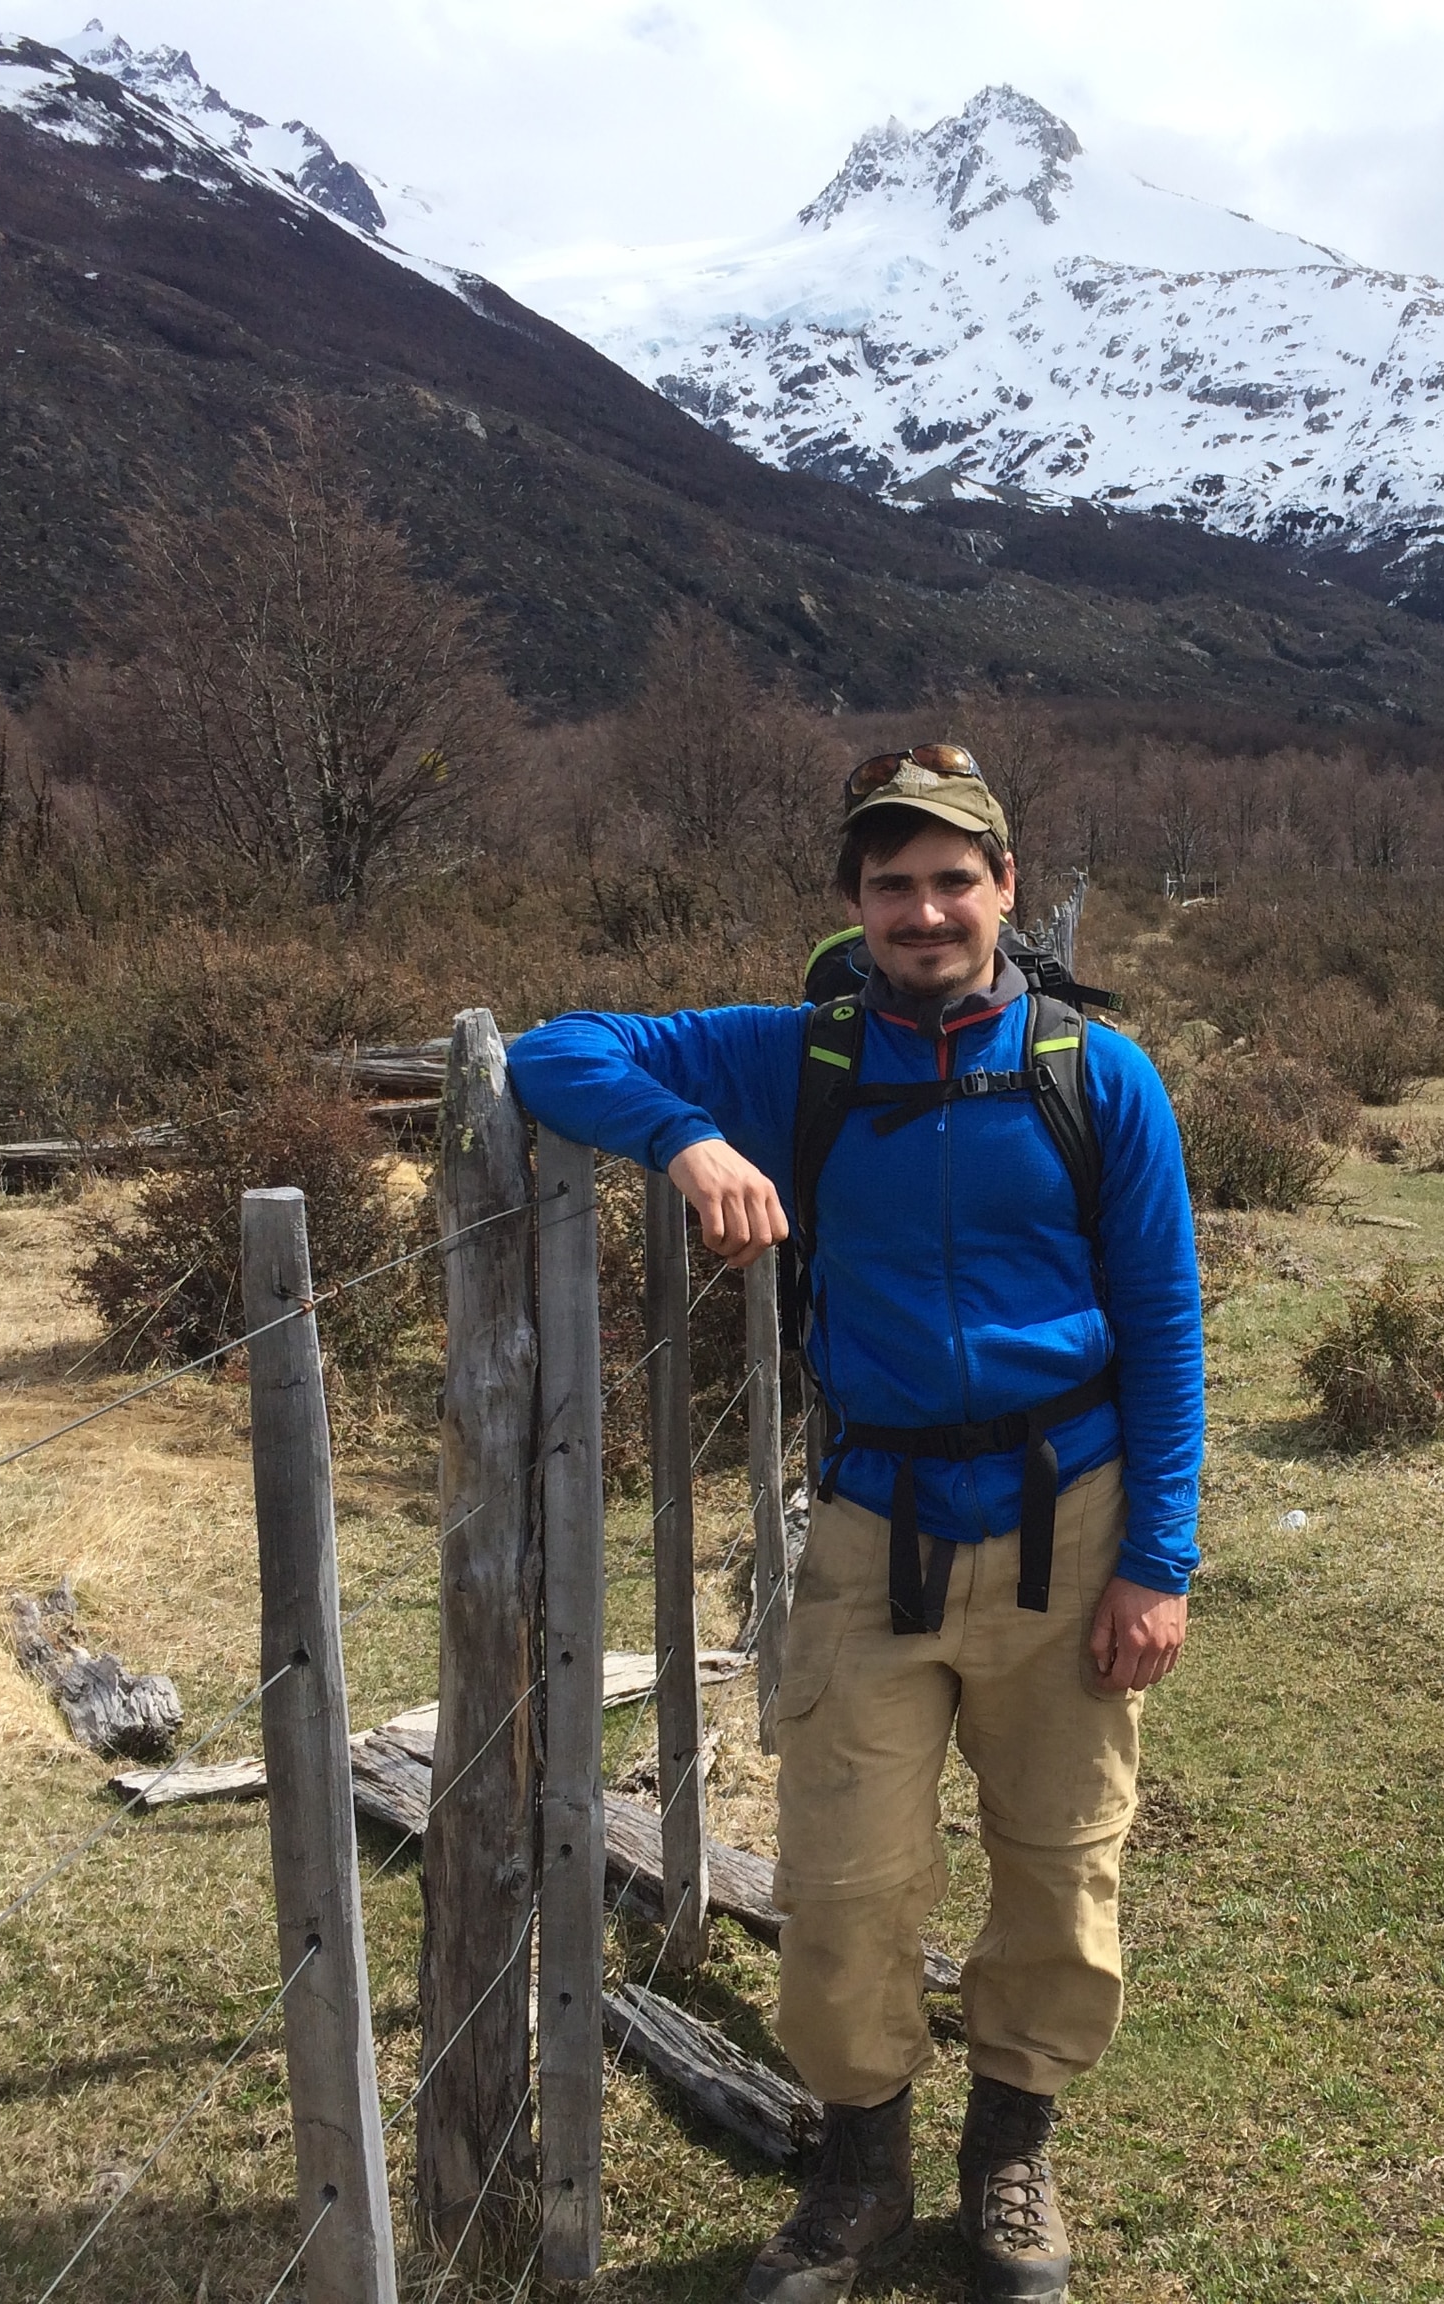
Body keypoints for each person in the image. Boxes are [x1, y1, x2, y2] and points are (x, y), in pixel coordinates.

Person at [508, 744, 1203, 2304]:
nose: (926, 910)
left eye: (956, 877)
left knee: (1061, 1855)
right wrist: (686, 1137)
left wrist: (1158, 1561)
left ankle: (1010, 2152)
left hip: (1069, 1518)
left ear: (1008, 891)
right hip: (874, 1523)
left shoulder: (1098, 1077)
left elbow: (1165, 1329)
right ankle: (862, 2167)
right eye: (892, 884)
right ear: (855, 904)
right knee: (846, 1874)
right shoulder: (796, 1059)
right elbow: (559, 1052)